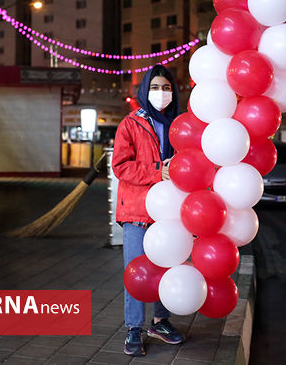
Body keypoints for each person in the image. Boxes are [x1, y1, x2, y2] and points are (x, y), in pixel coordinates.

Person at [112, 65, 185, 357]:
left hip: (169, 214)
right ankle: (133, 328)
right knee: (136, 271)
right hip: (137, 213)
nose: (161, 93)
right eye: (155, 87)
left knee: (167, 269)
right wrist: (158, 171)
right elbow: (120, 166)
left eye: (166, 88)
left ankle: (160, 321)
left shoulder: (181, 124)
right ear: (145, 91)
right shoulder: (130, 124)